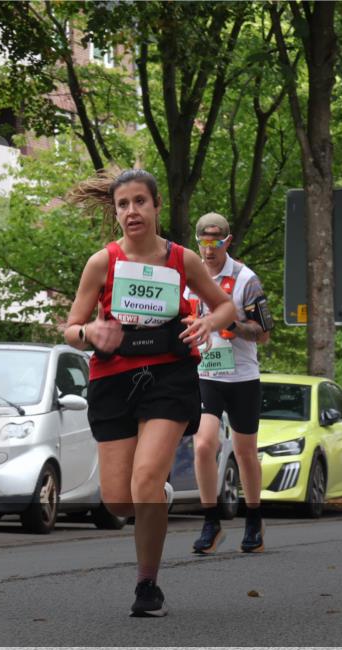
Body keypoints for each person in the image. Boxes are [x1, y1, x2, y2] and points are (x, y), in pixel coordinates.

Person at [63, 169, 236, 617]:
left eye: (140, 201)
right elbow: (70, 329)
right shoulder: (102, 262)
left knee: (143, 481)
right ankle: (155, 492)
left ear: (157, 206)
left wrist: (207, 323)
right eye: (123, 204)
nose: (132, 211)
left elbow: (225, 305)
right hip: (113, 379)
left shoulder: (182, 259)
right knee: (120, 500)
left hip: (168, 376)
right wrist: (90, 331)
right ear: (115, 211)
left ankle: (147, 584)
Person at [185, 213, 274, 555]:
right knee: (204, 444)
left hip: (241, 375)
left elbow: (263, 335)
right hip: (205, 374)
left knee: (245, 452)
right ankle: (211, 521)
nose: (209, 250)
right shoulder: (188, 276)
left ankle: (254, 517)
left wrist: (234, 327)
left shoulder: (245, 279)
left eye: (216, 243)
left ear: (228, 241)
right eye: (203, 243)